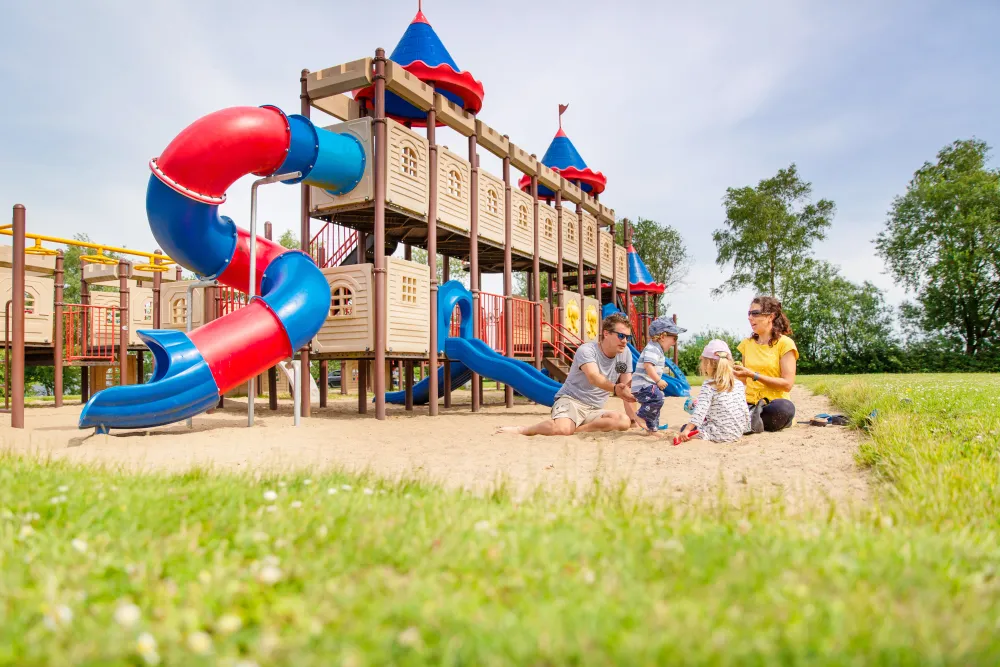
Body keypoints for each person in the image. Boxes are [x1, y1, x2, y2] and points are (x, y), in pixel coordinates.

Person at [497, 313, 638, 436]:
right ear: (606, 333)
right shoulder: (587, 350)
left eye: (628, 337)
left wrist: (634, 421)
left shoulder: (624, 354)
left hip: (594, 409)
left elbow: (627, 390)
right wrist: (615, 389)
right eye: (621, 336)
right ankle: (523, 430)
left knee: (623, 421)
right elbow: (593, 377)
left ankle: (575, 430)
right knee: (562, 430)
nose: (625, 341)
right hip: (571, 401)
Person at [733, 296, 799, 432]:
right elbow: (745, 380)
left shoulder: (785, 344)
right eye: (749, 314)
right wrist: (731, 373)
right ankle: (752, 420)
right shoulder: (747, 344)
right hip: (748, 402)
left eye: (755, 313)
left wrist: (754, 375)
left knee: (785, 408)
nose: (750, 318)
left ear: (770, 316)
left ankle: (749, 421)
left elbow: (787, 384)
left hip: (772, 404)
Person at [676, 340, 751, 443]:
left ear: (708, 363)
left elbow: (700, 411)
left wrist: (687, 429)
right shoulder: (738, 383)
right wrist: (744, 428)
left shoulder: (709, 385)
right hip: (738, 432)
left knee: (685, 428)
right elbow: (744, 409)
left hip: (719, 434)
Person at [631, 316, 686, 434]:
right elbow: (648, 366)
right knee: (658, 398)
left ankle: (652, 429)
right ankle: (640, 416)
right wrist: (658, 380)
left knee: (656, 403)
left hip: (647, 384)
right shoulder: (653, 349)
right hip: (643, 385)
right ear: (663, 336)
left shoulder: (657, 349)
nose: (675, 342)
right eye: (674, 338)